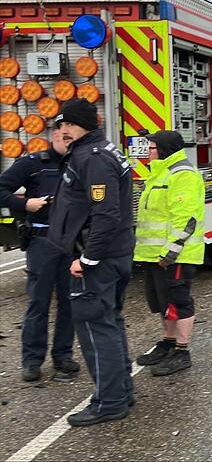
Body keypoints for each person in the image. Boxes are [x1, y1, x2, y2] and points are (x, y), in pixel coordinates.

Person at [47, 98, 135, 427]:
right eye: (59, 126)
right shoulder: (99, 151)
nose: (62, 130)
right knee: (108, 323)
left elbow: (106, 213)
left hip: (97, 259)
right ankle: (121, 392)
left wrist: (87, 257)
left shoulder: (93, 157)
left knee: (97, 329)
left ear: (82, 124)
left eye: (67, 124)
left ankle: (110, 402)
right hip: (112, 254)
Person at [0, 126, 79, 382]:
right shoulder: (32, 164)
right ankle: (32, 360)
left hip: (71, 243)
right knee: (38, 303)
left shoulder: (82, 163)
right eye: (63, 136)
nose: (68, 141)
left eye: (72, 137)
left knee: (70, 303)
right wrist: (24, 204)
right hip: (42, 241)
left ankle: (63, 356)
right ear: (54, 136)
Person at [134, 131, 205, 376]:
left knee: (179, 302)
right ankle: (167, 343)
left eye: (152, 148)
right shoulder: (159, 173)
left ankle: (182, 352)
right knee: (162, 303)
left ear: (164, 150)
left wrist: (170, 253)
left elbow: (185, 220)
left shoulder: (183, 175)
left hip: (175, 255)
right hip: (154, 254)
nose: (148, 152)